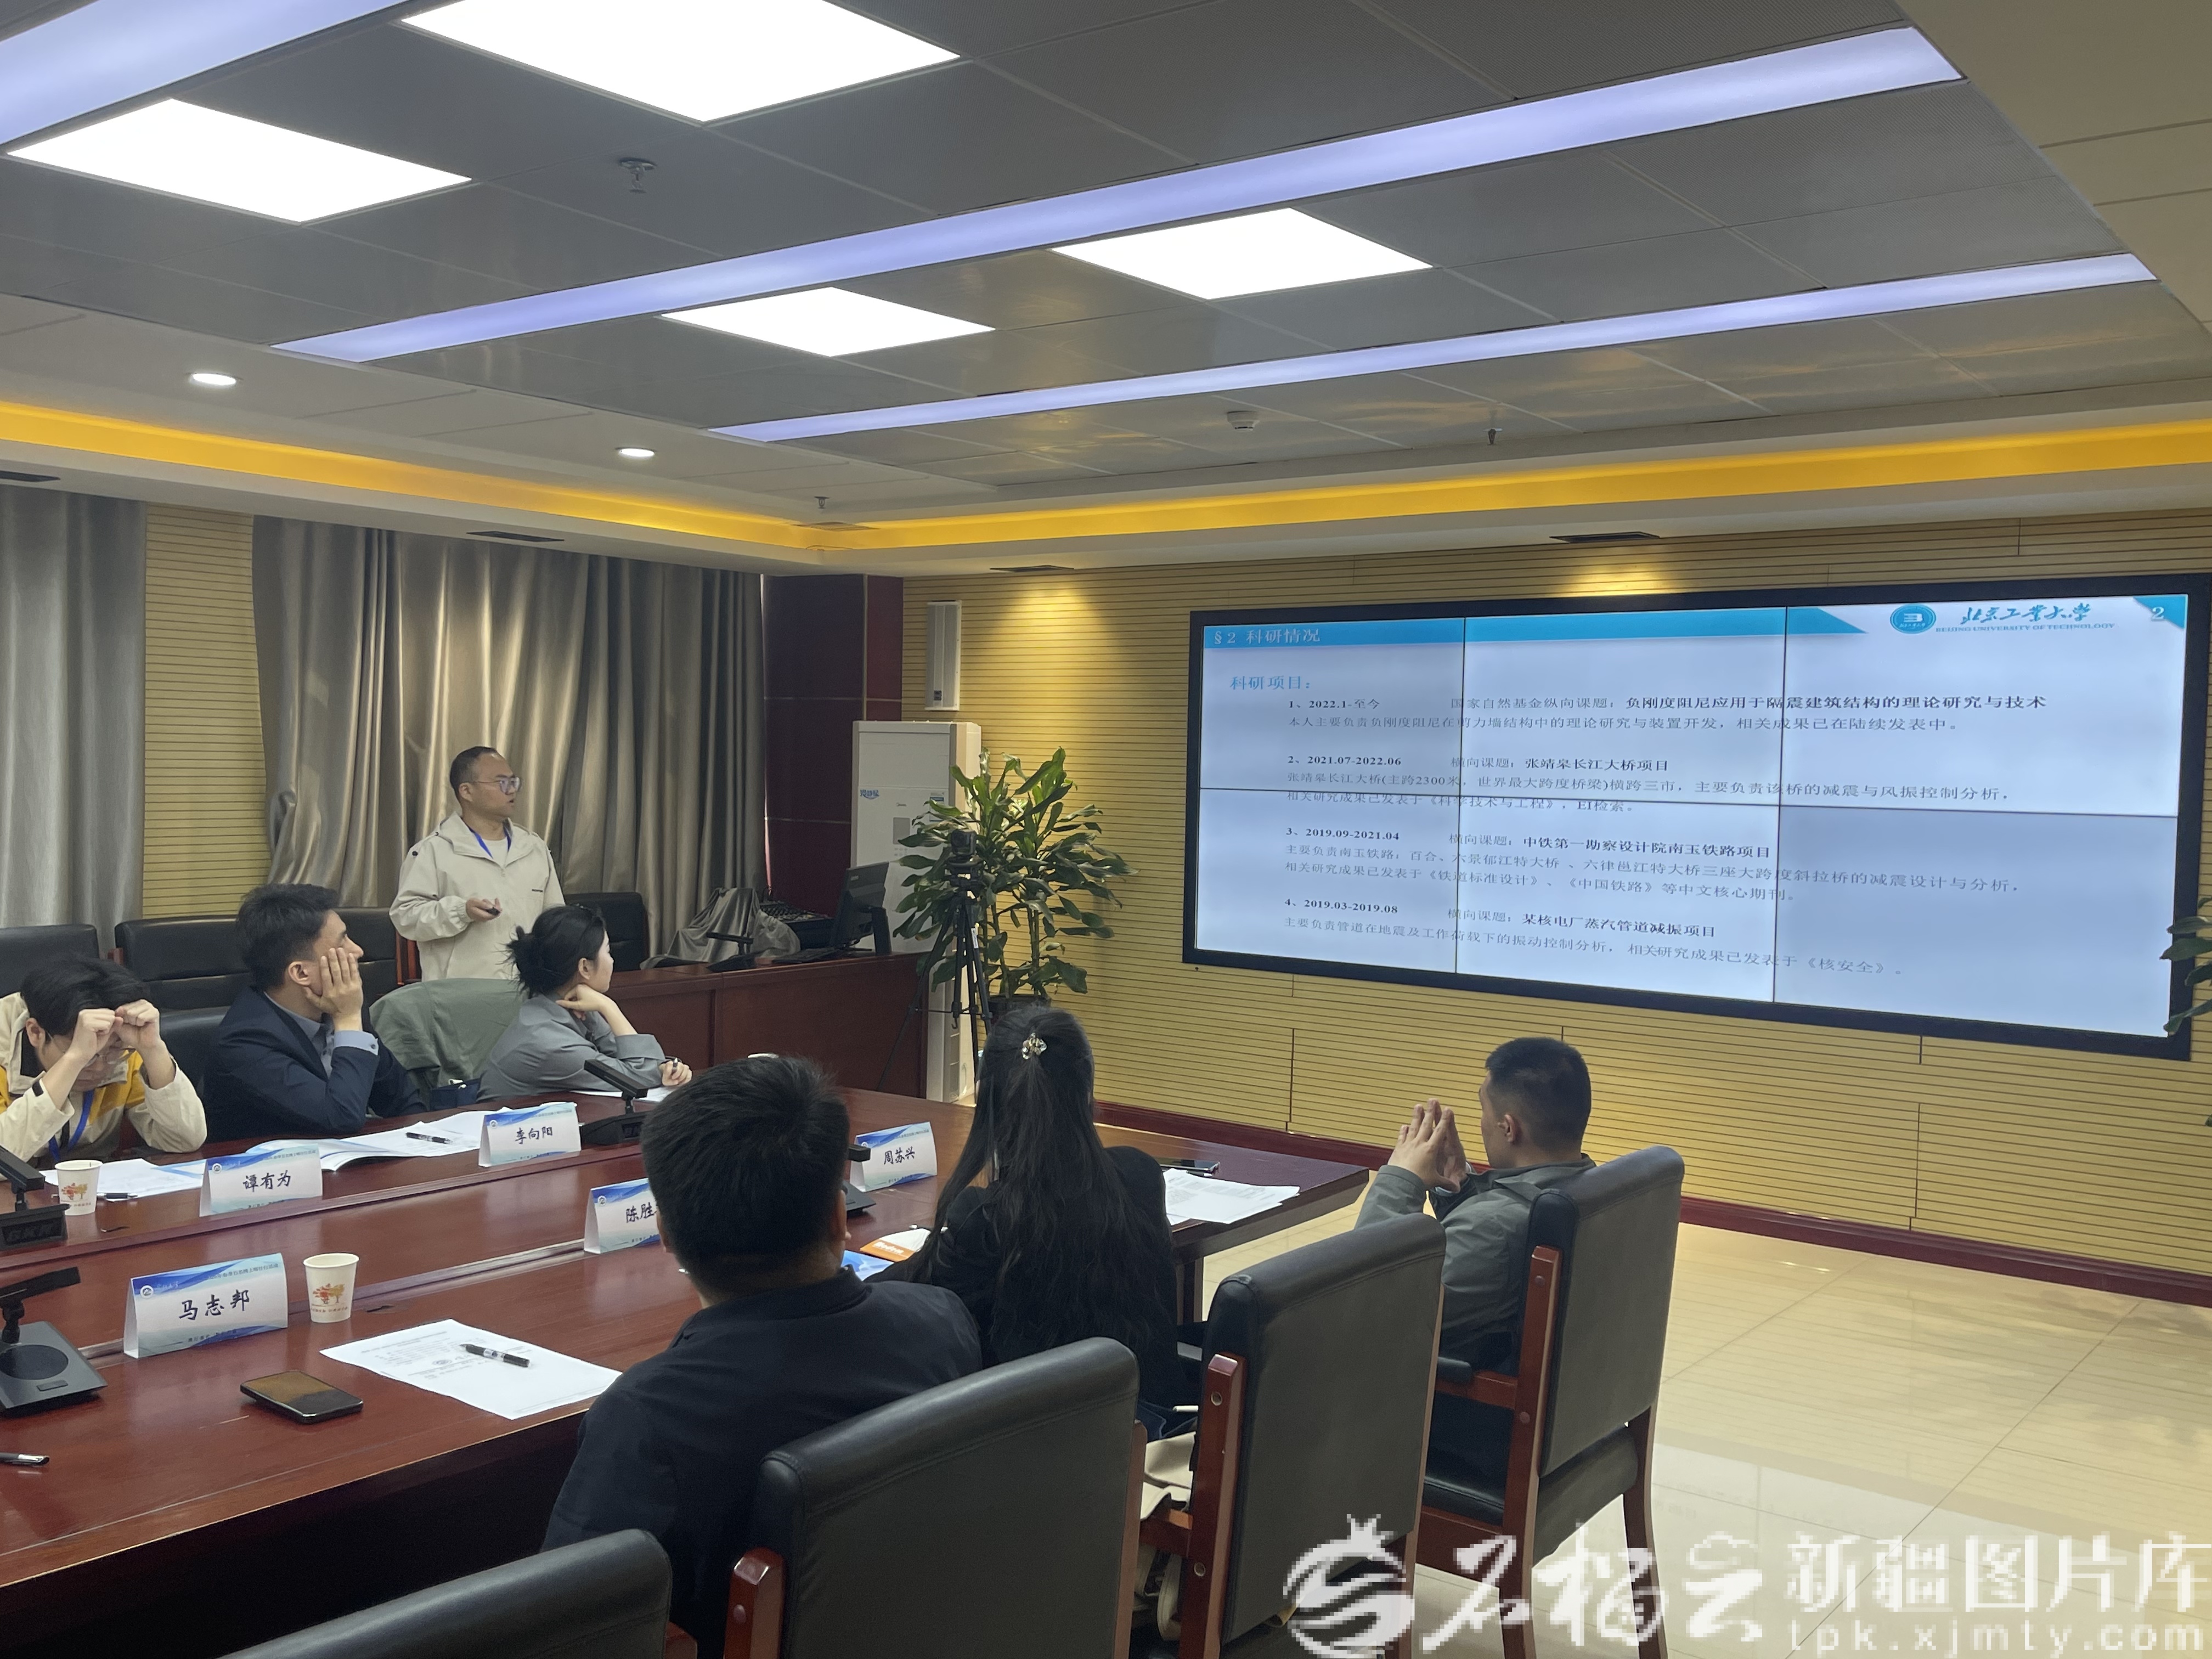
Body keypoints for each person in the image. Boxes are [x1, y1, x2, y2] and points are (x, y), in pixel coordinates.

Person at [542, 1056, 978, 1655]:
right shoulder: (942, 1323)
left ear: (666, 1235)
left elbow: (569, 1629)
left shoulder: (649, 1417)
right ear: (838, 1217)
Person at [886, 1003, 1181, 1431]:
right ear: (1087, 1091)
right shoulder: (1140, 1177)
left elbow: (906, 1298)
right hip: (1149, 1436)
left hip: (1035, 1453)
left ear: (985, 1100)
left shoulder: (983, 1220)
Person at [1355, 1036, 1597, 1368]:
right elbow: (1488, 1265)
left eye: (1484, 1110)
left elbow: (1369, 1299)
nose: (1482, 1124)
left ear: (1509, 1129)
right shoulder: (1594, 1189)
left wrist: (1401, 1178)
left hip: (1440, 1391)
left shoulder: (1491, 1229)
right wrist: (1459, 1188)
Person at [204, 884, 422, 1140]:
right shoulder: (243, 1043)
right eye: (343, 942)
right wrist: (348, 1021)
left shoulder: (342, 1008)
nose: (358, 951)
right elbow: (340, 1117)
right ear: (301, 973)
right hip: (274, 1163)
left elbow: (402, 1102)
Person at [0, 960, 205, 1164]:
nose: (99, 1067)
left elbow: (184, 1141)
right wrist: (75, 1058)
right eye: (88, 1055)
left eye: (113, 1051)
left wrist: (154, 1049)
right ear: (36, 1032)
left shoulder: (125, 1047)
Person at [477, 906, 693, 1099]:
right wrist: (609, 1007)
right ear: (585, 967)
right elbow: (637, 1079)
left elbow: (635, 1062)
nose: (613, 961)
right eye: (608, 951)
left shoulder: (565, 1006)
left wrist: (666, 1068)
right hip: (502, 1127)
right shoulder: (549, 1042)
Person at [390, 746, 565, 980]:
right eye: (501, 782)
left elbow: (556, 919)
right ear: (467, 791)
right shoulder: (433, 850)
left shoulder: (534, 848)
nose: (512, 789)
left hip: (528, 988)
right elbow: (406, 917)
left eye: (513, 782)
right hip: (462, 991)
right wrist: (461, 912)